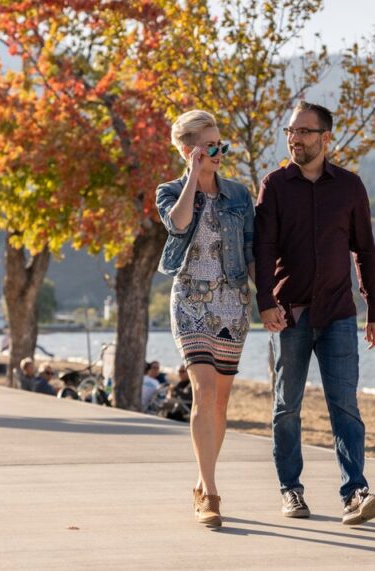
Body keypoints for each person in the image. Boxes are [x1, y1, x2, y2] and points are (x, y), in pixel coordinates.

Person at [254, 101, 375, 525]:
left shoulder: (349, 187)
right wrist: (265, 302)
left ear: (325, 137)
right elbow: (263, 250)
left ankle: (355, 493)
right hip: (288, 314)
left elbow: (364, 250)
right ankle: (291, 491)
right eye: (290, 131)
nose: (295, 139)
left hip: (338, 314)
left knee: (344, 405)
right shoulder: (274, 185)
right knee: (286, 406)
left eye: (304, 132)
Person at [156, 109, 255, 528]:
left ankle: (201, 481)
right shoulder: (171, 191)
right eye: (210, 146)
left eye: (221, 145)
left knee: (219, 401)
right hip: (190, 300)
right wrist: (194, 180)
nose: (219, 152)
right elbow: (177, 226)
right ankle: (212, 493)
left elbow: (251, 253)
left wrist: (269, 301)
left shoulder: (239, 195)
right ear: (188, 150)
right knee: (203, 387)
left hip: (233, 300)